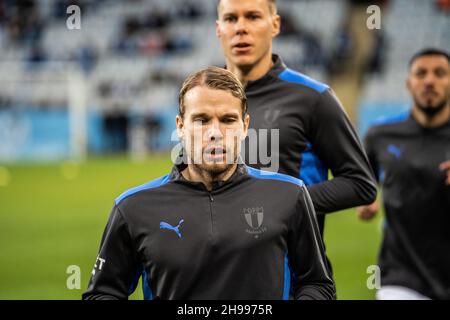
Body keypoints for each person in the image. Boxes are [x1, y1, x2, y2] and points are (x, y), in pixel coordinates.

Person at [82, 67, 336, 300]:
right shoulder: (133, 208)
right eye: (201, 120)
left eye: (227, 120)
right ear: (181, 127)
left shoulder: (289, 194)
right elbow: (102, 294)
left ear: (245, 126)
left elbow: (317, 284)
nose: (215, 132)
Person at [215, 0, 377, 262]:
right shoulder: (203, 100)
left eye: (253, 17)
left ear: (275, 25)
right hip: (220, 274)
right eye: (231, 19)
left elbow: (361, 184)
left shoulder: (312, 97)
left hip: (295, 274)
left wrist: (282, 202)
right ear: (218, 28)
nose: (241, 28)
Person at [358, 48, 450, 300]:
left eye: (440, 73)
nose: (430, 80)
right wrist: (366, 199)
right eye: (421, 73)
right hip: (401, 275)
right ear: (409, 83)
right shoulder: (380, 135)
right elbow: (363, 182)